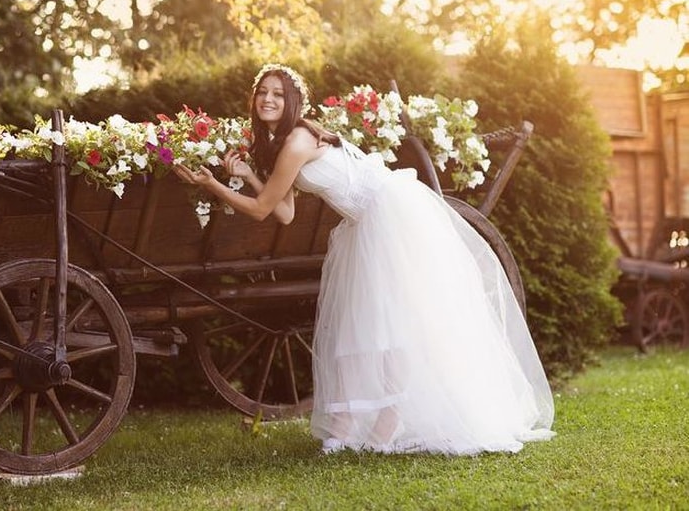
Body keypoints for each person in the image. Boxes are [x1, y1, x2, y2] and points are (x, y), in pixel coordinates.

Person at [174, 64, 555, 455]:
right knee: (363, 323)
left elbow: (260, 210)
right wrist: (250, 175)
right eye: (263, 93)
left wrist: (213, 183)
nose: (268, 99)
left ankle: (388, 421)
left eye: (278, 94)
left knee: (396, 321)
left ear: (293, 103)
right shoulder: (285, 143)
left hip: (388, 215)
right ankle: (349, 422)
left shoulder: (297, 142)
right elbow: (283, 212)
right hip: (365, 222)